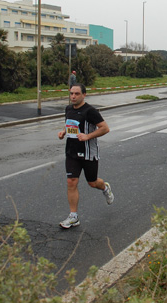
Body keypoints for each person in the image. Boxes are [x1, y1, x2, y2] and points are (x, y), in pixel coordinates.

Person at [57, 83, 114, 228]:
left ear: (84, 95)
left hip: (88, 153)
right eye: (71, 94)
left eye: (76, 94)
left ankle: (105, 188)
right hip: (71, 152)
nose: (73, 96)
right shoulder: (68, 109)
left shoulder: (90, 111)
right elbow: (70, 124)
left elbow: (105, 128)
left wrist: (88, 136)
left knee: (92, 182)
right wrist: (63, 132)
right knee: (71, 182)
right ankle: (73, 216)